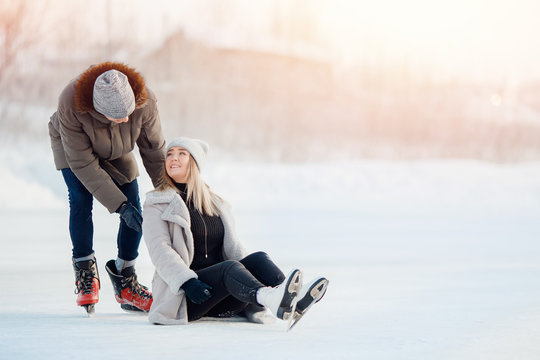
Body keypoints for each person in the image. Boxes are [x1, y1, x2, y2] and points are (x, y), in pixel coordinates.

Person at [142, 137, 329, 326]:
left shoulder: (215, 203)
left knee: (258, 259)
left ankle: (293, 298)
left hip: (223, 297)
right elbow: (160, 249)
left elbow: (235, 249)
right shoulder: (157, 203)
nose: (173, 158)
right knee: (229, 267)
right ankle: (269, 298)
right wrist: (186, 282)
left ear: (195, 163)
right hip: (188, 296)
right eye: (170, 154)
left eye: (182, 154)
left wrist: (253, 275)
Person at [48, 62, 166, 314]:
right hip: (74, 149)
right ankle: (85, 273)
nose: (125, 119)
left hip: (117, 148)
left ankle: (126, 281)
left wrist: (168, 192)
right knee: (80, 199)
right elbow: (83, 163)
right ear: (98, 111)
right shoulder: (71, 102)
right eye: (117, 116)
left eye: (128, 113)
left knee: (133, 201)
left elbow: (154, 151)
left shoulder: (146, 101)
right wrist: (119, 206)